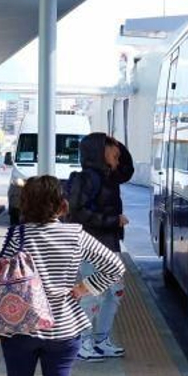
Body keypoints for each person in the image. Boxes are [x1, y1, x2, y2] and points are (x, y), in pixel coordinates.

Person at [0, 175, 126, 376]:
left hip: (21, 327)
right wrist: (84, 288)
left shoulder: (19, 234)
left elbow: (1, 272)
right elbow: (115, 266)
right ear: (61, 205)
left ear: (26, 205)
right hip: (65, 328)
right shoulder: (75, 236)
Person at [65, 133, 135, 360]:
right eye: (112, 151)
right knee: (92, 293)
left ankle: (100, 340)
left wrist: (115, 143)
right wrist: (113, 221)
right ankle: (82, 342)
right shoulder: (87, 179)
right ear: (99, 153)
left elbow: (128, 169)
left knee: (114, 292)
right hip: (91, 246)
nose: (117, 156)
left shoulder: (109, 177)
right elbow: (77, 213)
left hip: (109, 243)